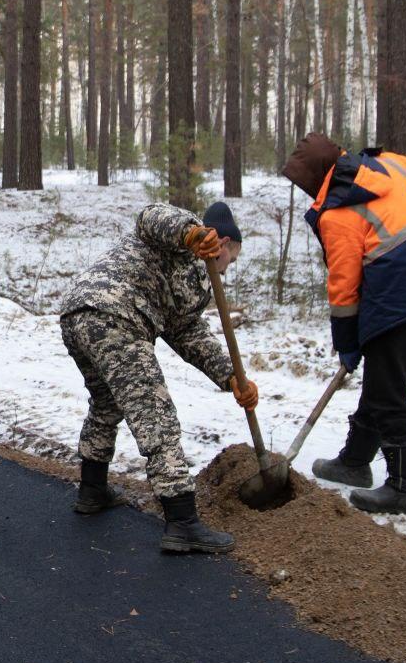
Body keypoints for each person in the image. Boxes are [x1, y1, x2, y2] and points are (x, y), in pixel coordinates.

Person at [58, 201, 258, 554]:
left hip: (80, 315)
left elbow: (187, 332)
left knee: (106, 403)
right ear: (224, 243)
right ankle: (182, 521)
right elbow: (150, 217)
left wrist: (231, 377)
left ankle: (92, 490)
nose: (226, 270)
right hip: (115, 316)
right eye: (232, 259)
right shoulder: (185, 238)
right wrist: (191, 233)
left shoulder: (196, 283)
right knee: (155, 414)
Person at [281, 133, 406, 517]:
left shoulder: (338, 213)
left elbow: (344, 289)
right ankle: (355, 461)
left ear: (315, 176)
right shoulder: (387, 163)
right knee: (383, 380)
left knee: (387, 389)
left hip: (398, 293)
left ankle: (405, 488)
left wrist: (347, 343)